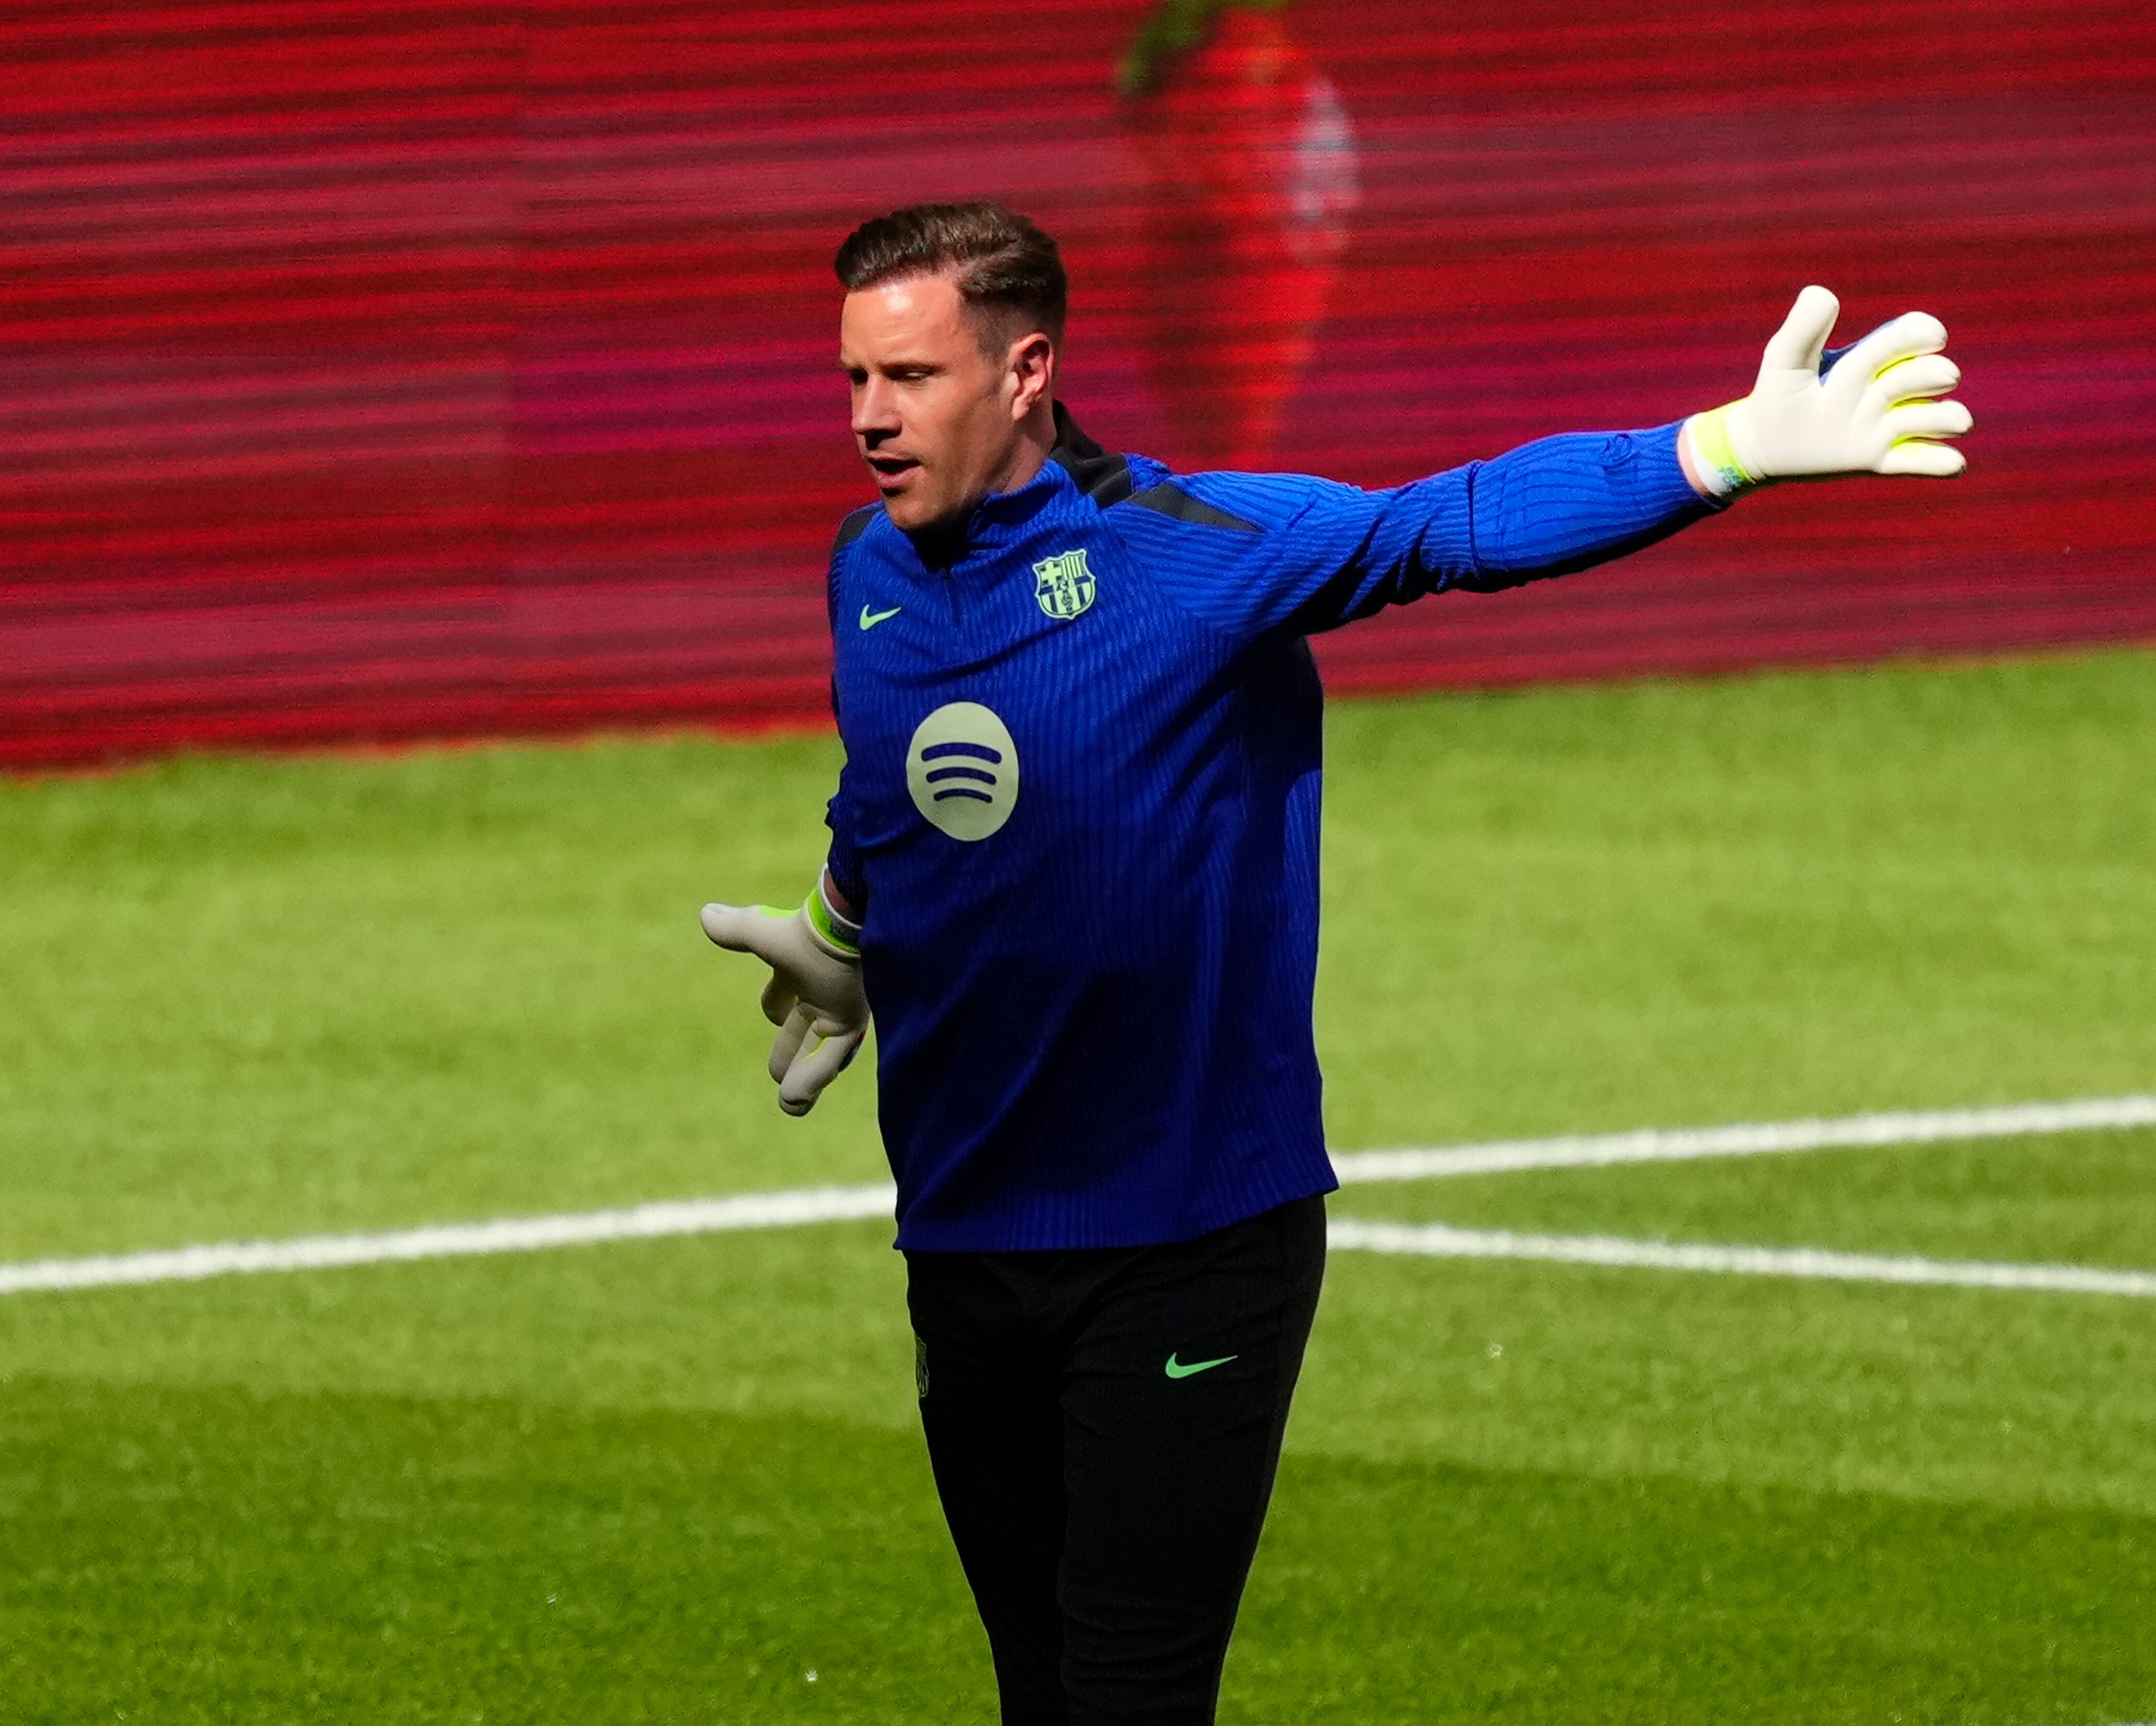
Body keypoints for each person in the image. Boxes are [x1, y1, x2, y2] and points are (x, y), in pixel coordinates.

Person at [698, 201, 1968, 1725]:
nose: (868, 418)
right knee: (1041, 1693)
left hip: (1185, 1241)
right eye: (853, 377)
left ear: (1026, 372)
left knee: (1131, 1699)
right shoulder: (868, 571)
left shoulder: (1190, 557)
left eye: (908, 377)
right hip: (964, 1232)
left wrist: (1723, 450)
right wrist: (840, 931)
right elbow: (883, 781)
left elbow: (1450, 525)